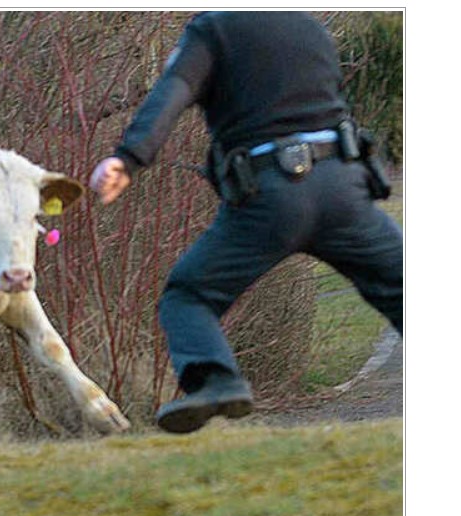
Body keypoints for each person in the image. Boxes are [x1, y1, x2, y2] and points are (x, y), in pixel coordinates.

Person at [89, 11, 403, 434]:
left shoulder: (212, 30)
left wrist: (129, 158)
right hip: (343, 186)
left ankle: (217, 381)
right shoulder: (309, 27)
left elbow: (172, 92)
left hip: (270, 195)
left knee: (188, 295)